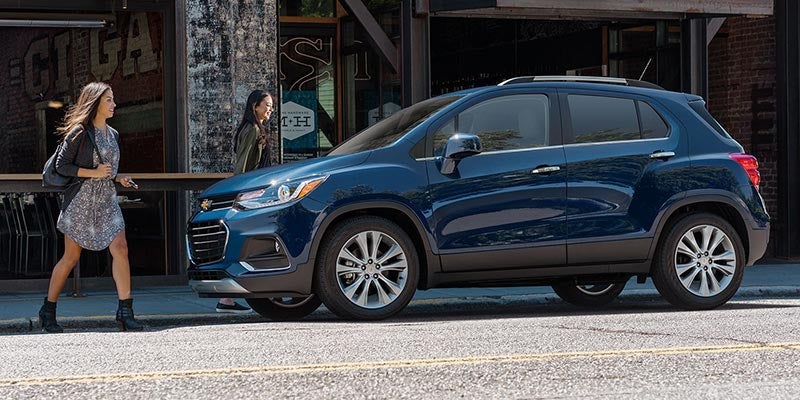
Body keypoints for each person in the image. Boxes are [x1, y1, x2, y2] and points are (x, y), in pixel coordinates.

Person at [38, 81, 143, 333]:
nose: (113, 104)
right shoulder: (79, 132)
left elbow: (108, 170)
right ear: (95, 102)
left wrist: (118, 178)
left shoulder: (113, 134)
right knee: (71, 258)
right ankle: (48, 310)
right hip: (82, 202)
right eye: (108, 100)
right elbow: (62, 166)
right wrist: (93, 172)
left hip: (106, 200)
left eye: (113, 99)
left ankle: (125, 311)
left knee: (121, 248)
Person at [215, 89, 274, 313]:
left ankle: (230, 298)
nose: (270, 109)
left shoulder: (256, 128)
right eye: (266, 105)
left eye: (270, 105)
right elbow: (242, 167)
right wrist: (244, 195)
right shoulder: (251, 130)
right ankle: (228, 298)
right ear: (254, 106)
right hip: (252, 195)